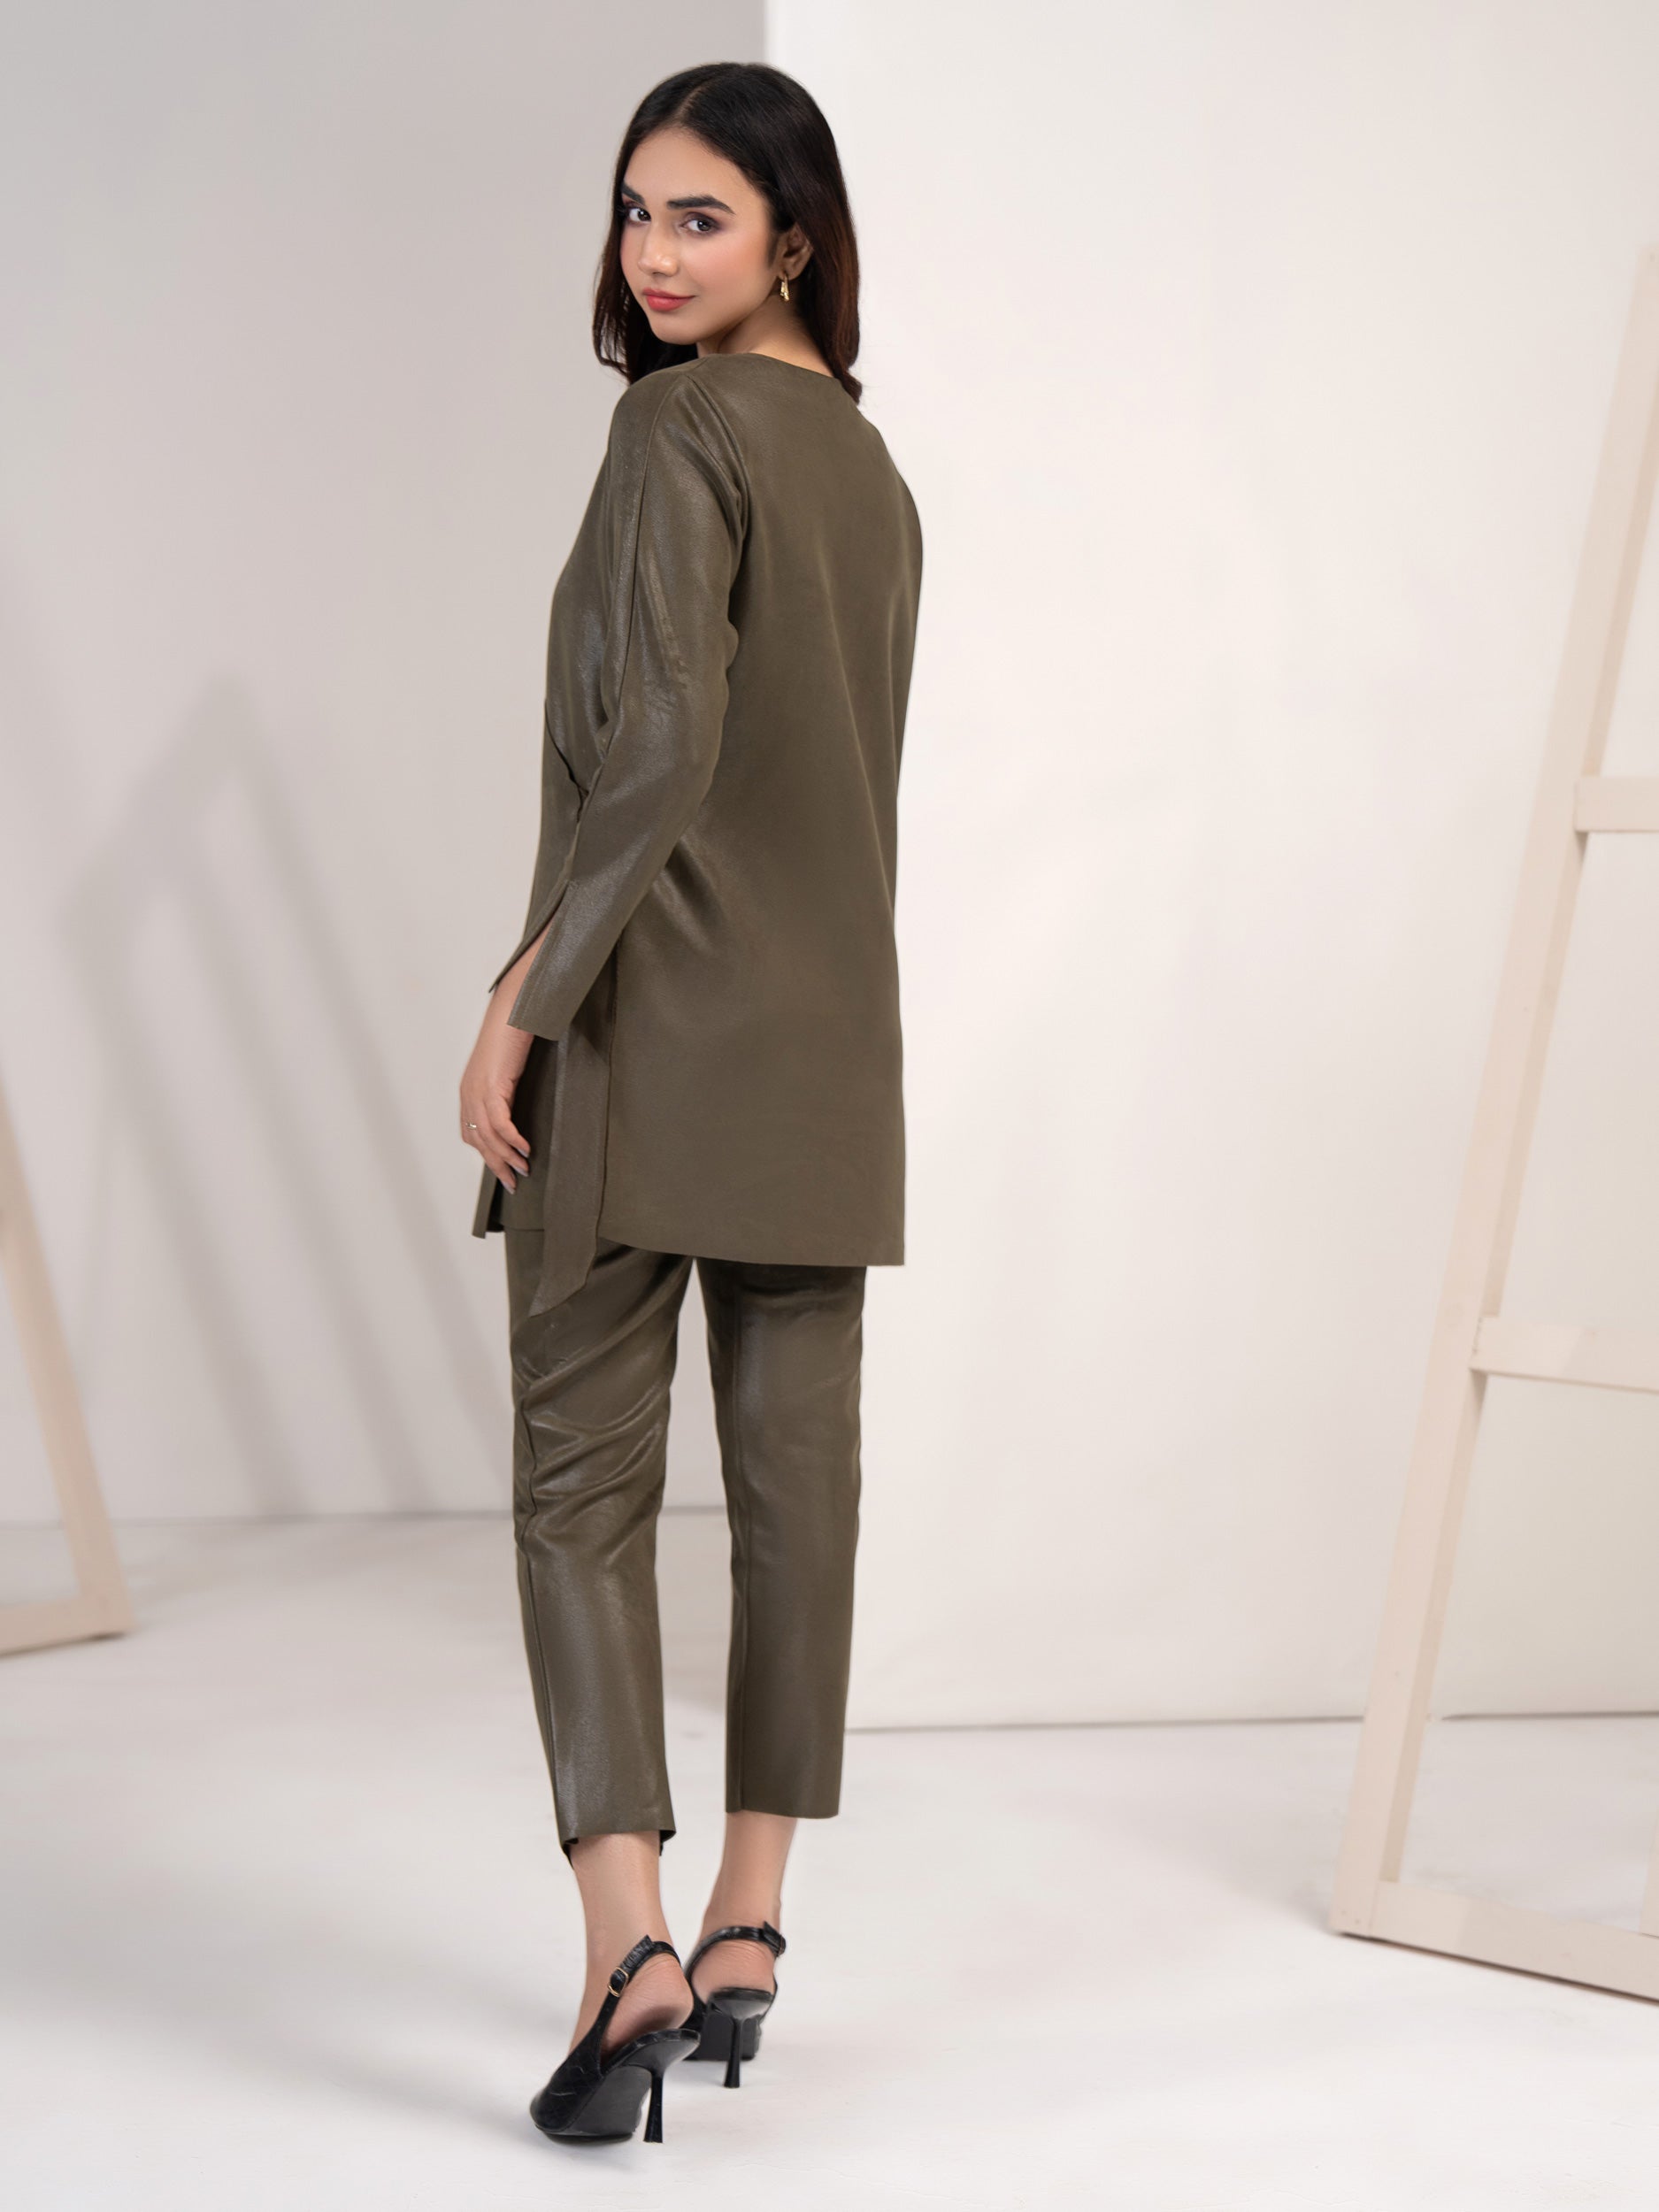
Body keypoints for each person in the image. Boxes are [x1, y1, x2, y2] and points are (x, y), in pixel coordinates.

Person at [459, 59, 923, 2146]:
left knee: (580, 1486)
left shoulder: (679, 428)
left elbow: (653, 750)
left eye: (698, 217)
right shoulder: (872, 476)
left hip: (644, 1035)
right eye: (634, 211)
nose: (650, 255)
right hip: (828, 1056)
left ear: (791, 238)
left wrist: (522, 996)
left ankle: (622, 1948)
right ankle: (749, 1922)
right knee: (797, 1495)